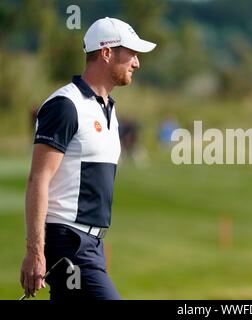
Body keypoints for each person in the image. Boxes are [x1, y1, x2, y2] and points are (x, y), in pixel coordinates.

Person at [20, 17, 156, 300]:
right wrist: (35, 252)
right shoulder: (65, 106)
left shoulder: (109, 110)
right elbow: (38, 179)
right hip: (68, 242)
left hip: (90, 244)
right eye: (131, 53)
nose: (137, 63)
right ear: (107, 53)